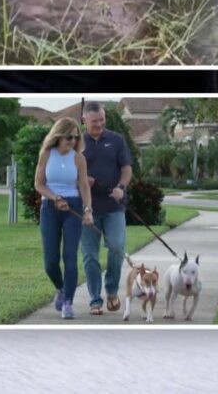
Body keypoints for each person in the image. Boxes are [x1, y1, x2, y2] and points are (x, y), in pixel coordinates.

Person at [34, 117, 93, 319]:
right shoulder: (46, 154)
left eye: (76, 138)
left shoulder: (78, 159)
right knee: (50, 262)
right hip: (49, 207)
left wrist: (88, 210)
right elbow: (39, 184)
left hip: (73, 208)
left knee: (70, 258)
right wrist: (55, 197)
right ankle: (60, 288)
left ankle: (68, 302)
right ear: (59, 136)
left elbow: (84, 186)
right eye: (69, 138)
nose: (73, 142)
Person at [80, 102, 132, 315]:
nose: (99, 124)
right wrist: (82, 180)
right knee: (90, 256)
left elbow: (126, 169)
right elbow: (66, 172)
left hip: (114, 206)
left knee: (117, 248)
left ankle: (111, 290)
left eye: (102, 119)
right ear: (84, 120)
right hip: (87, 208)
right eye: (95, 121)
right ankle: (95, 299)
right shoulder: (76, 142)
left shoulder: (117, 140)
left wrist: (121, 187)